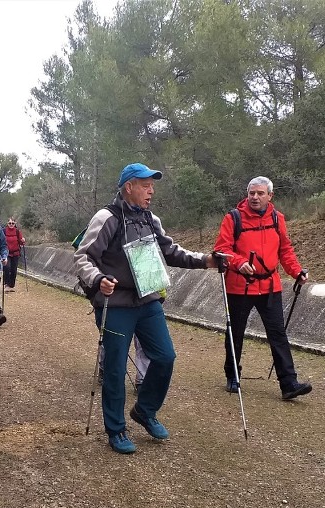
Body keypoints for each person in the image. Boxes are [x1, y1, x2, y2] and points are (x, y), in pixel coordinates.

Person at [74, 162, 221, 454]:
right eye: (145, 185)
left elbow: (171, 251)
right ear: (128, 186)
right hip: (115, 303)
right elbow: (82, 258)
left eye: (152, 185)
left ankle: (145, 410)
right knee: (115, 368)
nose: (151, 190)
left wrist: (206, 260)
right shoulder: (107, 217)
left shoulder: (151, 219)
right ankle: (116, 430)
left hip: (148, 300)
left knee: (165, 357)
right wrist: (99, 279)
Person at [213, 176, 312, 401]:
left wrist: (297, 271)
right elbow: (222, 249)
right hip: (239, 286)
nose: (255, 197)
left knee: (278, 333)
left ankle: (289, 384)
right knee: (235, 332)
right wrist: (239, 263)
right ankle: (232, 374)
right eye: (251, 193)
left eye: (260, 193)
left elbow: (285, 250)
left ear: (270, 196)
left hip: (269, 286)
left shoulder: (277, 219)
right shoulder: (233, 218)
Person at [2, 217, 26, 292]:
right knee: (7, 268)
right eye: (10, 223)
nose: (11, 224)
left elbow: (21, 242)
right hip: (7, 253)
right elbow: (1, 241)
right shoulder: (4, 231)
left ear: (15, 224)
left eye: (13, 223)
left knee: (14, 270)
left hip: (16, 253)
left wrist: (23, 241)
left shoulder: (17, 232)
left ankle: (11, 285)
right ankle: (6, 284)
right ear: (7, 223)